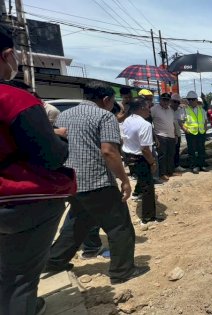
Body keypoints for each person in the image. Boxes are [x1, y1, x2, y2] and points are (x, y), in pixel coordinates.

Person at [0, 26, 76, 315]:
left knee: (8, 271)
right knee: (20, 279)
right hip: (21, 200)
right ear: (7, 54)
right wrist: (60, 138)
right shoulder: (14, 99)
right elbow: (50, 156)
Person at [46, 81, 149, 285]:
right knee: (120, 226)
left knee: (77, 223)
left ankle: (54, 261)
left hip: (71, 181)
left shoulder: (64, 116)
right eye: (112, 102)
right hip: (96, 181)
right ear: (106, 100)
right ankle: (122, 271)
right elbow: (109, 151)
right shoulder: (105, 116)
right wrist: (124, 180)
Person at [122, 97, 158, 224]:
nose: (150, 110)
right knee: (148, 187)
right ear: (142, 107)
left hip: (128, 156)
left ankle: (137, 193)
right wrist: (152, 162)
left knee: (141, 181)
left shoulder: (127, 120)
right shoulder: (145, 124)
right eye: (148, 107)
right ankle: (148, 217)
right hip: (140, 158)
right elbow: (145, 149)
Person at [180, 91, 208, 173]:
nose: (191, 101)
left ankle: (202, 165)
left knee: (201, 149)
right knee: (191, 151)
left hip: (201, 132)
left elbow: (205, 120)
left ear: (196, 100)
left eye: (192, 99)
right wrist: (185, 130)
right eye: (189, 99)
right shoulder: (185, 110)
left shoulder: (201, 110)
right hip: (191, 133)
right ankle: (193, 166)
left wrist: (205, 128)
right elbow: (180, 121)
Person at [151, 93, 177, 180]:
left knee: (171, 154)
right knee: (162, 155)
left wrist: (175, 134)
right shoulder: (154, 109)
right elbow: (149, 123)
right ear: (160, 100)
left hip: (171, 136)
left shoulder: (171, 110)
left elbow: (172, 123)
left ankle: (170, 171)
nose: (165, 102)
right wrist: (154, 137)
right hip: (160, 136)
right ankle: (162, 173)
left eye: (167, 100)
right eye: (163, 99)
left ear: (169, 101)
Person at [170, 93, 186, 172]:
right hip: (170, 135)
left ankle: (176, 166)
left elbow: (180, 122)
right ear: (171, 101)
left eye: (178, 102)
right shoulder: (167, 110)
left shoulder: (179, 111)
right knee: (170, 152)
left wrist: (185, 130)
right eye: (174, 101)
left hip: (178, 134)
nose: (176, 104)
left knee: (176, 150)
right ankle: (170, 168)